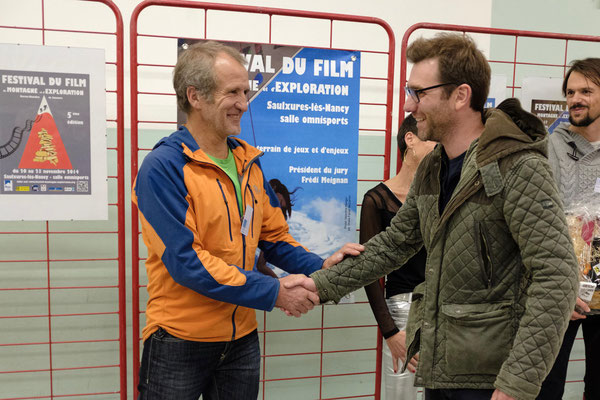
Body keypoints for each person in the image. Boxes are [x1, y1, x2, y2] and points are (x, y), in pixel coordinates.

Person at [288, 33, 579, 400]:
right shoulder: (433, 168)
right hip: (443, 367)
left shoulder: (518, 167)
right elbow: (395, 243)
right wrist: (319, 285)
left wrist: (517, 384)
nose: (410, 105)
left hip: (494, 379)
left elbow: (557, 276)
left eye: (419, 93)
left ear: (460, 96)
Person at [132, 41, 363, 400]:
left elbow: (273, 238)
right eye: (233, 92)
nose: (244, 102)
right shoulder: (162, 169)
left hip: (240, 341)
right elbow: (187, 263)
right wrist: (273, 293)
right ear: (195, 96)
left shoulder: (247, 163)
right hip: (179, 341)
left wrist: (322, 267)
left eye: (246, 90)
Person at [537, 58, 600, 400]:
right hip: (556, 289)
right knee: (544, 387)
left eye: (586, 91)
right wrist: (558, 284)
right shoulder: (551, 145)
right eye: (571, 92)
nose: (576, 98)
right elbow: (538, 219)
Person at [361, 114, 434, 400]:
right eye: (433, 140)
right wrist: (390, 332)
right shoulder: (376, 200)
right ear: (410, 139)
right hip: (402, 311)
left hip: (442, 310)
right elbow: (368, 272)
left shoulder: (440, 196)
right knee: (401, 395)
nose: (440, 147)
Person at [256, 179, 299, 278]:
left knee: (260, 265)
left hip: (268, 237)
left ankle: (278, 284)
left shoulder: (275, 219)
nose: (278, 206)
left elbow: (261, 266)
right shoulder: (261, 198)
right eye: (279, 201)